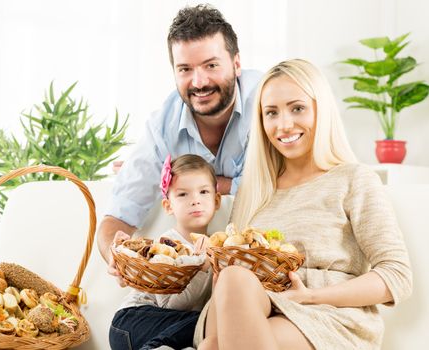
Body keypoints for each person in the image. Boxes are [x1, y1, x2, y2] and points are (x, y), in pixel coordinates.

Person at [195, 59, 413, 349]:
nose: (284, 125)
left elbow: (396, 275)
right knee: (233, 279)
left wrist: (310, 296)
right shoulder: (254, 190)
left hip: (324, 316)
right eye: (271, 113)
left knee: (215, 346)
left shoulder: (353, 179)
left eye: (297, 108)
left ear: (320, 110)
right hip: (253, 305)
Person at [96, 4, 262, 276]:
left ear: (237, 64)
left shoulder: (268, 101)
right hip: (192, 279)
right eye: (185, 69)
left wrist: (218, 183)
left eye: (211, 65)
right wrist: (116, 255)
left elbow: (291, 182)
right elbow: (118, 215)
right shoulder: (163, 126)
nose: (199, 82)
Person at [109, 154, 220, 350]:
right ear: (168, 206)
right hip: (131, 322)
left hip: (168, 330)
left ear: (217, 201)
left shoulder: (215, 246)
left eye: (203, 192)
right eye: (183, 194)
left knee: (211, 325)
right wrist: (203, 269)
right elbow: (170, 305)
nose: (195, 200)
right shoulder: (166, 247)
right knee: (204, 323)